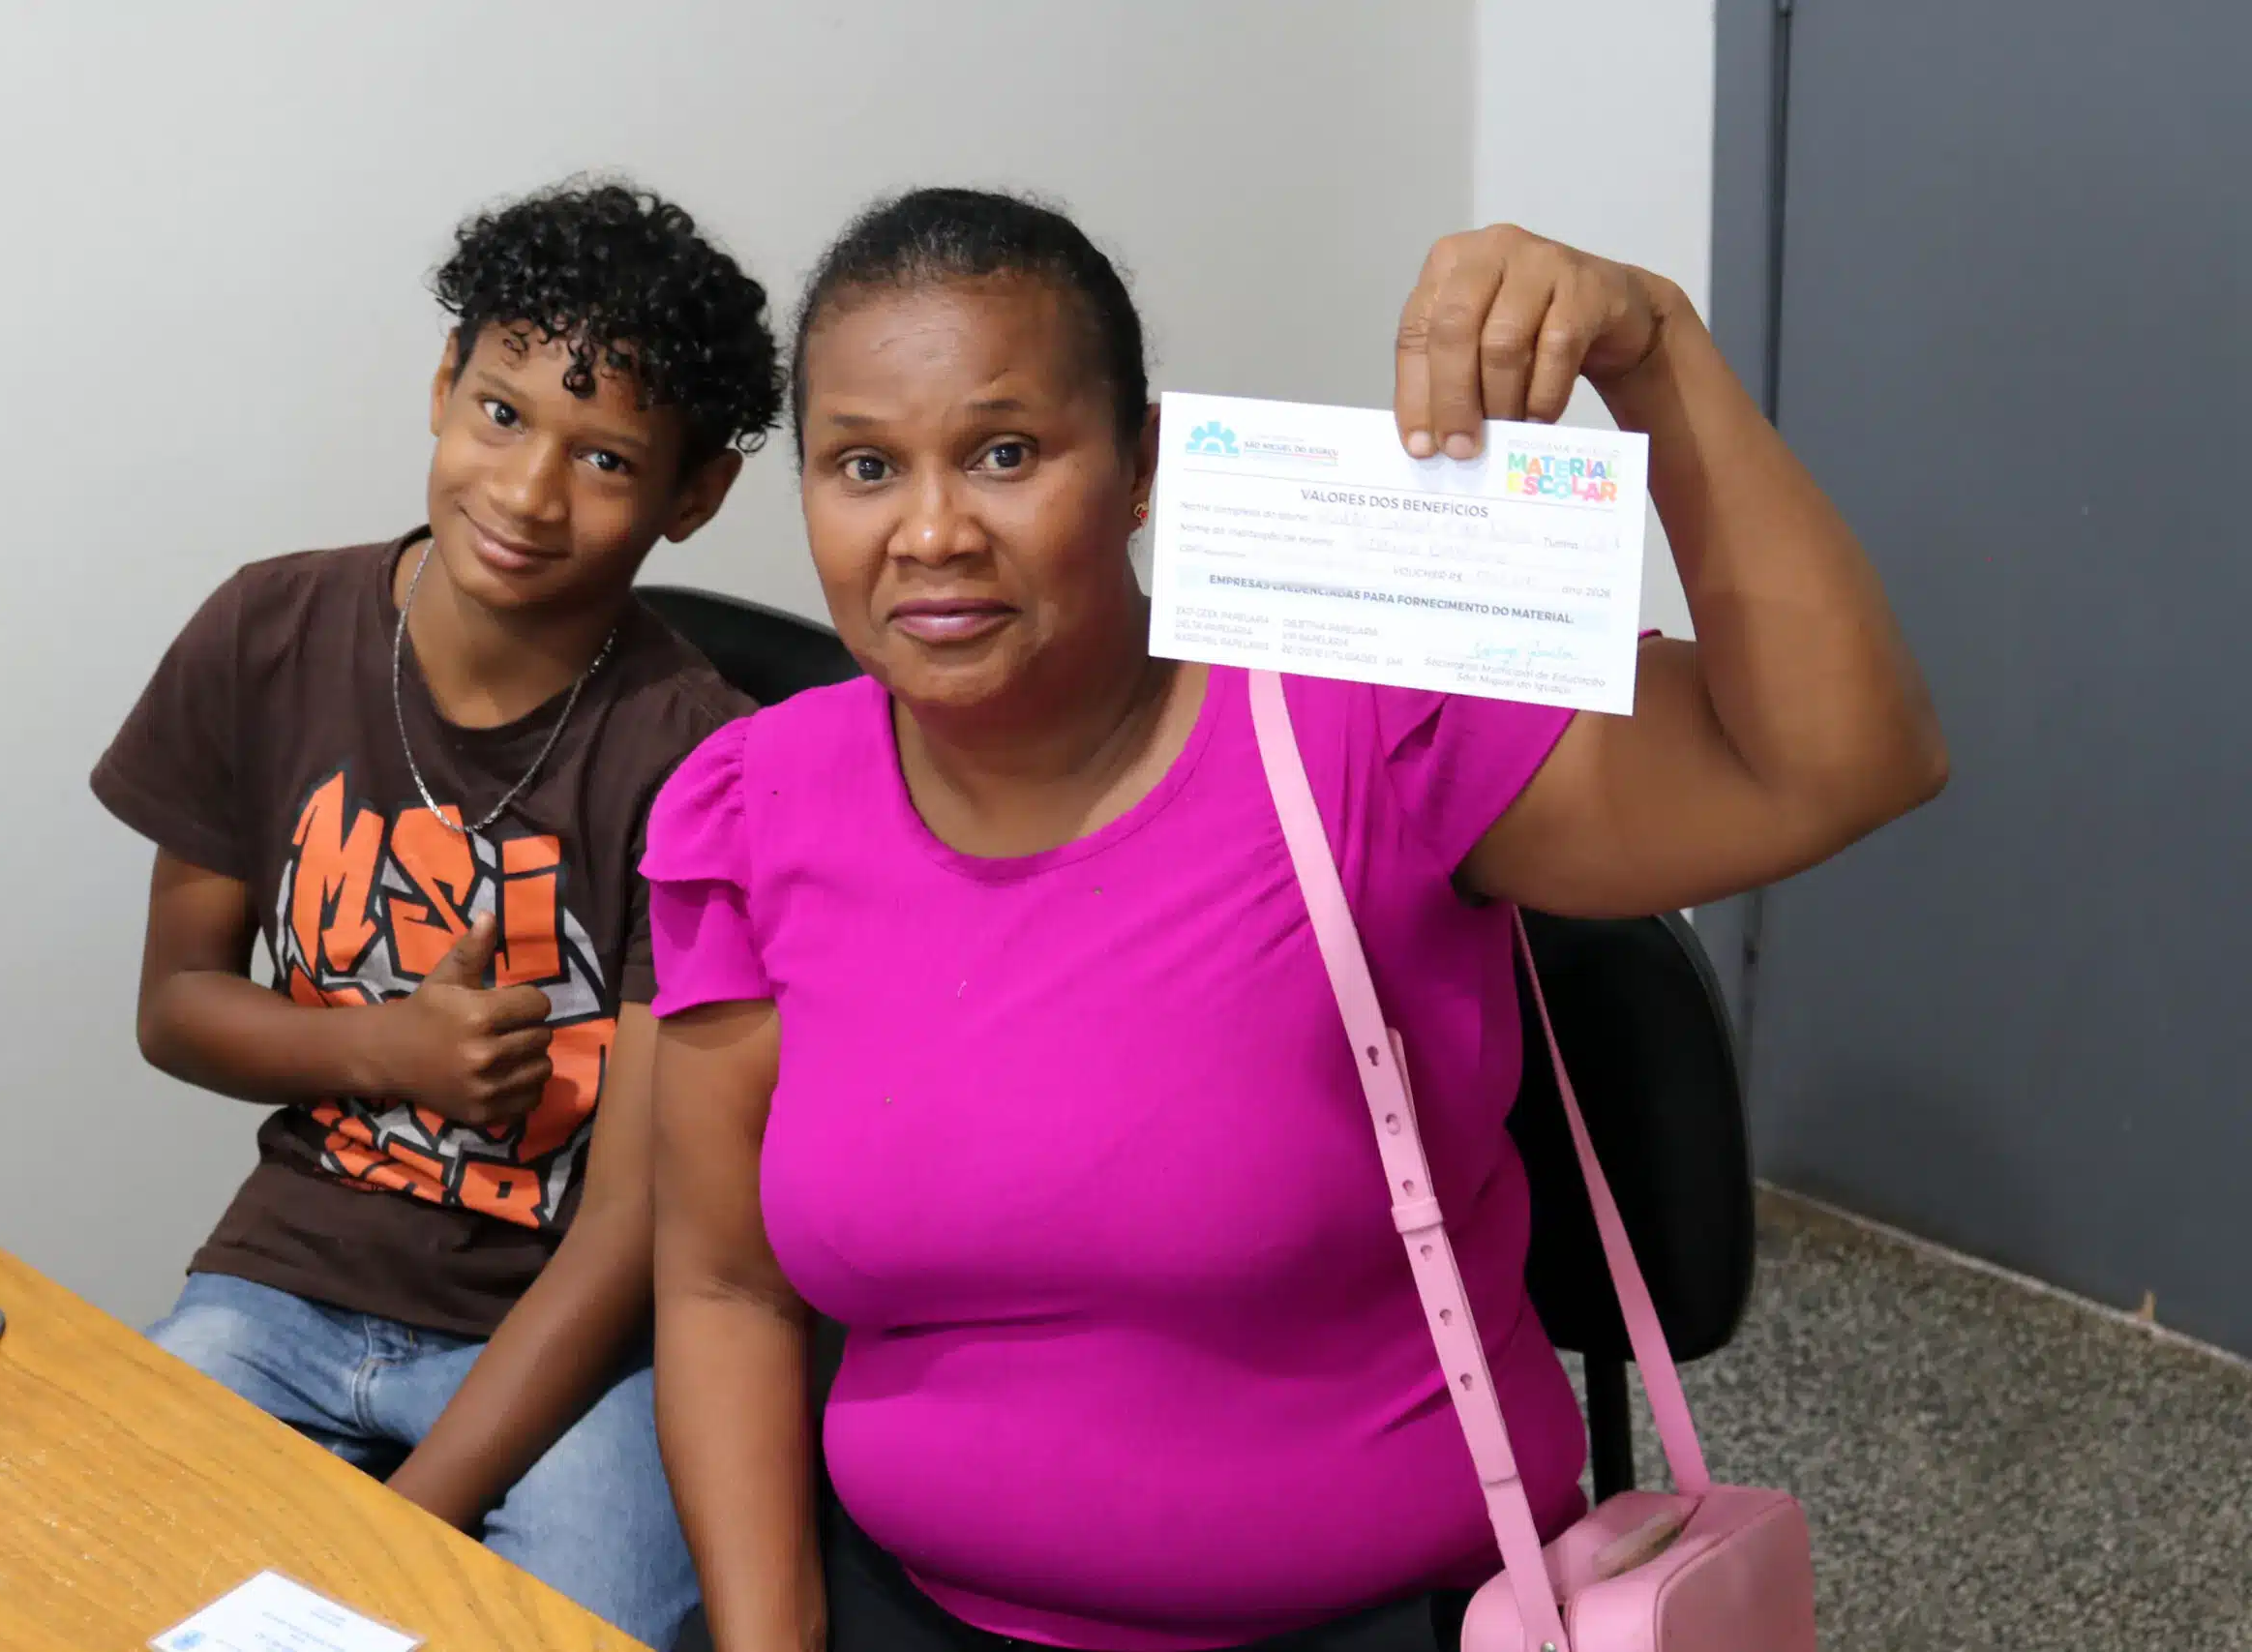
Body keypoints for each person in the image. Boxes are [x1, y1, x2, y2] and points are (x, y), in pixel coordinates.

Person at [639, 189, 1948, 1652]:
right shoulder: (750, 810)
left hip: (1367, 1616)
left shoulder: (1356, 720)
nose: (932, 528)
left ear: (1142, 465)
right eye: (864, 464)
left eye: (1007, 452)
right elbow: (721, 1283)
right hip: (905, 1608)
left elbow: (1841, 762)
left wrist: (1656, 354)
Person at [87, 175, 781, 1646]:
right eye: (501, 414)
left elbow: (633, 1229)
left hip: (571, 1340)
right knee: (100, 1558)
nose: (528, 492)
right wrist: (388, 1055)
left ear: (695, 494)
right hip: (287, 1278)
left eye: (605, 456)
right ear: (442, 388)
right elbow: (174, 1006)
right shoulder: (267, 632)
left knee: (563, 1624)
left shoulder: (704, 761)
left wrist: (394, 1529)